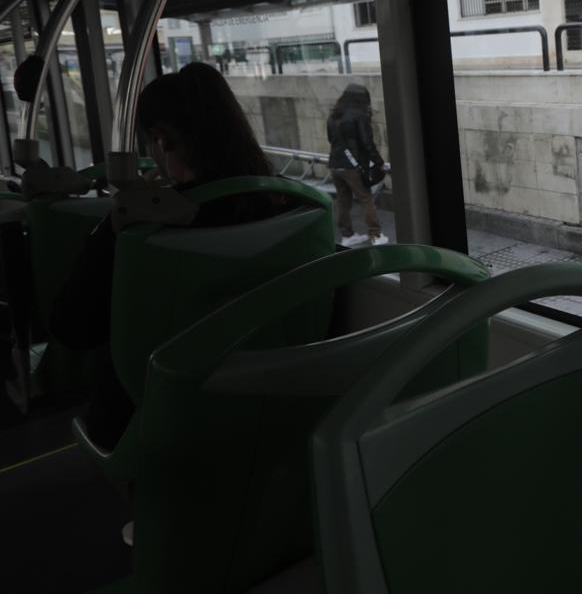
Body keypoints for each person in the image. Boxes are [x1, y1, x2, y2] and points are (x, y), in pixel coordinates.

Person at [50, 61, 285, 452]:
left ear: (161, 139)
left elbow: (71, 326)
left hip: (154, 420)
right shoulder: (290, 204)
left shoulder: (139, 227)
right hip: (270, 401)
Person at [327, 83, 387, 246]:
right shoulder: (360, 115)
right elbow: (367, 143)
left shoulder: (334, 115)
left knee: (342, 201)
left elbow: (331, 139)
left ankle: (347, 235)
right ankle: (376, 235)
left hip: (334, 164)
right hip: (352, 166)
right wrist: (379, 162)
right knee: (366, 198)